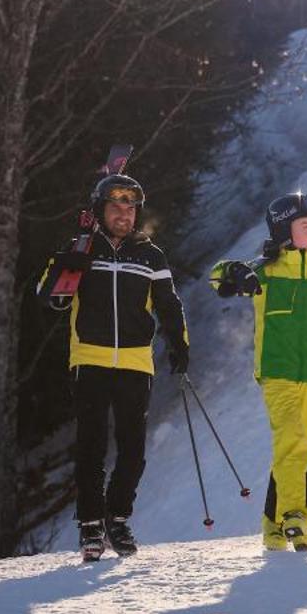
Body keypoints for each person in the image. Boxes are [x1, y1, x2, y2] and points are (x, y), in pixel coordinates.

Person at [35, 172, 190, 561]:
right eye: (116, 206)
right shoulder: (82, 248)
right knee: (91, 447)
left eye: (130, 207)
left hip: (136, 362)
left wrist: (179, 344)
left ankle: (117, 518)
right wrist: (66, 267)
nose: (124, 213)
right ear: (101, 210)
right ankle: (90, 526)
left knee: (133, 450)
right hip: (90, 358)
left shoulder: (151, 256)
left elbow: (169, 305)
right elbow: (48, 299)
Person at [210, 189, 307, 552]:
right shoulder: (265, 272)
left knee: (293, 450)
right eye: (305, 225)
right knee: (292, 443)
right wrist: (236, 271)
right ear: (284, 231)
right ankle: (298, 518)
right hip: (277, 371)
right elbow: (218, 280)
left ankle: (272, 528)